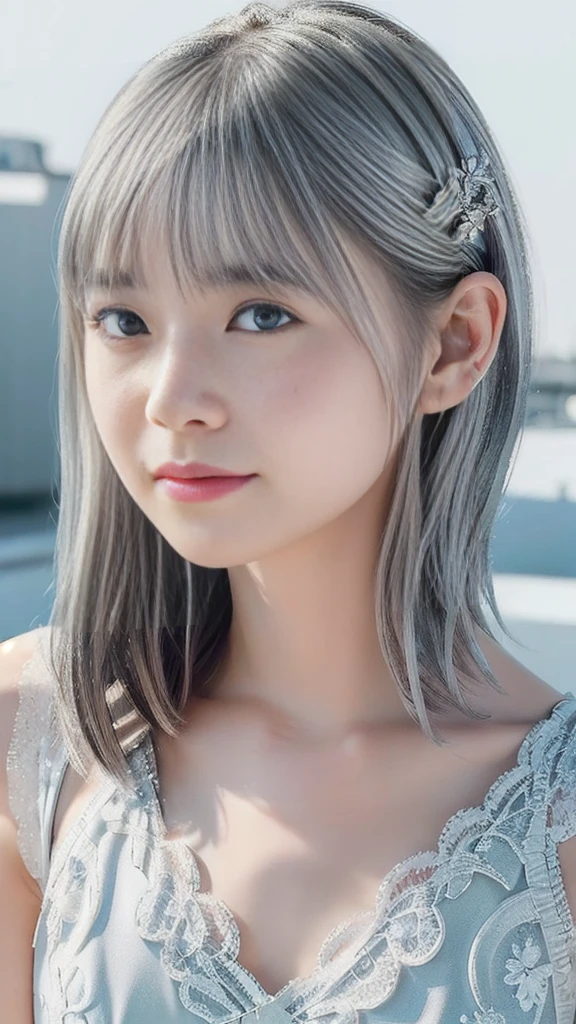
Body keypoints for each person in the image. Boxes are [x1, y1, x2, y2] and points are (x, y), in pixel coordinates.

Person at [1, 1, 575, 1021]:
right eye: (122, 319)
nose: (173, 396)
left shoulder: (557, 837)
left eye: (261, 314)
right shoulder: (32, 737)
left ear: (453, 344)